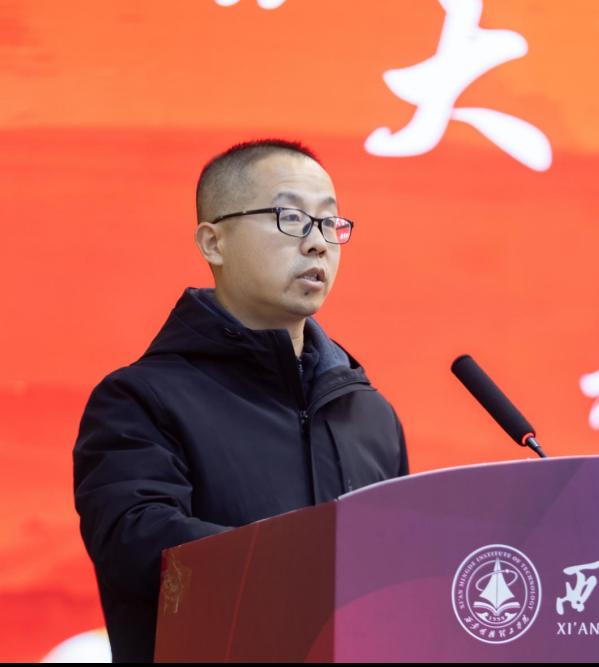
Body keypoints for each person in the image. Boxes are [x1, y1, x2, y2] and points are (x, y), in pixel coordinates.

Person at [73, 139, 409, 662]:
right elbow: (138, 546)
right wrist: (313, 569)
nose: (317, 244)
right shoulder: (140, 400)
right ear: (214, 242)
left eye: (329, 223)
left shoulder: (369, 414)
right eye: (291, 218)